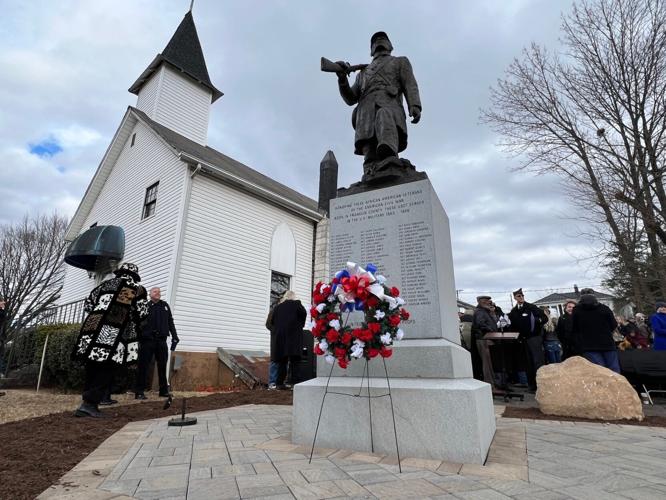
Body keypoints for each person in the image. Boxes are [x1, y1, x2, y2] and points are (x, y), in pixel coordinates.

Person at [335, 31, 421, 181]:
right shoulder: (362, 73)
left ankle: (388, 157)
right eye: (375, 41)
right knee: (368, 139)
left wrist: (414, 105)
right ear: (371, 49)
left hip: (389, 106)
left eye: (382, 39)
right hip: (365, 111)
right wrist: (342, 78)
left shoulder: (400, 61)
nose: (379, 41)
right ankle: (370, 168)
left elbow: (410, 84)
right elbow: (350, 98)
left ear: (390, 45)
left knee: (384, 117)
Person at [71, 263, 148, 417]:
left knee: (92, 367)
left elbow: (88, 304)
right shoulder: (135, 288)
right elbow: (142, 313)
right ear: (134, 276)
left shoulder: (104, 285)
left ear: (120, 273)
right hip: (112, 335)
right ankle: (90, 405)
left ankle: (86, 403)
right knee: (106, 368)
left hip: (91, 332)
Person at [135, 287, 179, 399]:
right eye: (155, 291)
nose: (158, 293)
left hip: (161, 340)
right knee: (144, 366)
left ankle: (163, 390)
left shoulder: (165, 306)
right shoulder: (145, 306)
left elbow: (170, 321)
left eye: (159, 291)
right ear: (150, 294)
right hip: (148, 340)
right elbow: (138, 322)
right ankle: (139, 391)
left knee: (162, 365)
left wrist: (175, 336)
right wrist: (140, 337)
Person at [508, 288, 547, 392]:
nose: (521, 298)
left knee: (537, 361)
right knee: (528, 363)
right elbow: (511, 323)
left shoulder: (531, 307)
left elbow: (544, 318)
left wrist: (537, 321)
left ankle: (542, 385)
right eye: (518, 296)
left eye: (522, 296)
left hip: (534, 338)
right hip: (522, 340)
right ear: (515, 298)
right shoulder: (514, 311)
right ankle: (532, 385)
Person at [572, 288, 620, 372]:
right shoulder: (604, 308)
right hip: (607, 343)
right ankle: (619, 385)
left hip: (588, 346)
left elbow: (575, 328)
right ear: (594, 296)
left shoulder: (576, 310)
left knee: (599, 371)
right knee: (614, 370)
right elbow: (613, 325)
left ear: (581, 297)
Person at [270, 291, 306, 389]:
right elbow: (303, 316)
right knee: (295, 361)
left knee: (282, 361)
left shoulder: (277, 308)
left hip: (280, 338)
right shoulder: (298, 305)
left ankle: (279, 384)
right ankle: (294, 383)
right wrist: (299, 326)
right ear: (293, 297)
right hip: (294, 337)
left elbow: (272, 321)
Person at [471, 296, 498, 388]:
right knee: (487, 364)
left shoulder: (486, 312)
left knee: (489, 363)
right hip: (483, 339)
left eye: (488, 300)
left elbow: (494, 322)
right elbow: (480, 324)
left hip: (487, 339)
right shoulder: (480, 311)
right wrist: (491, 331)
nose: (488, 302)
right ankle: (490, 384)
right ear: (480, 302)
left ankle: (492, 382)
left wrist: (493, 312)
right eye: (485, 301)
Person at [265, 304, 279, 390]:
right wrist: (276, 331)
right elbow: (268, 324)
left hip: (285, 339)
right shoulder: (274, 310)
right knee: (275, 360)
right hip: (276, 338)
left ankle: (280, 382)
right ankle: (272, 382)